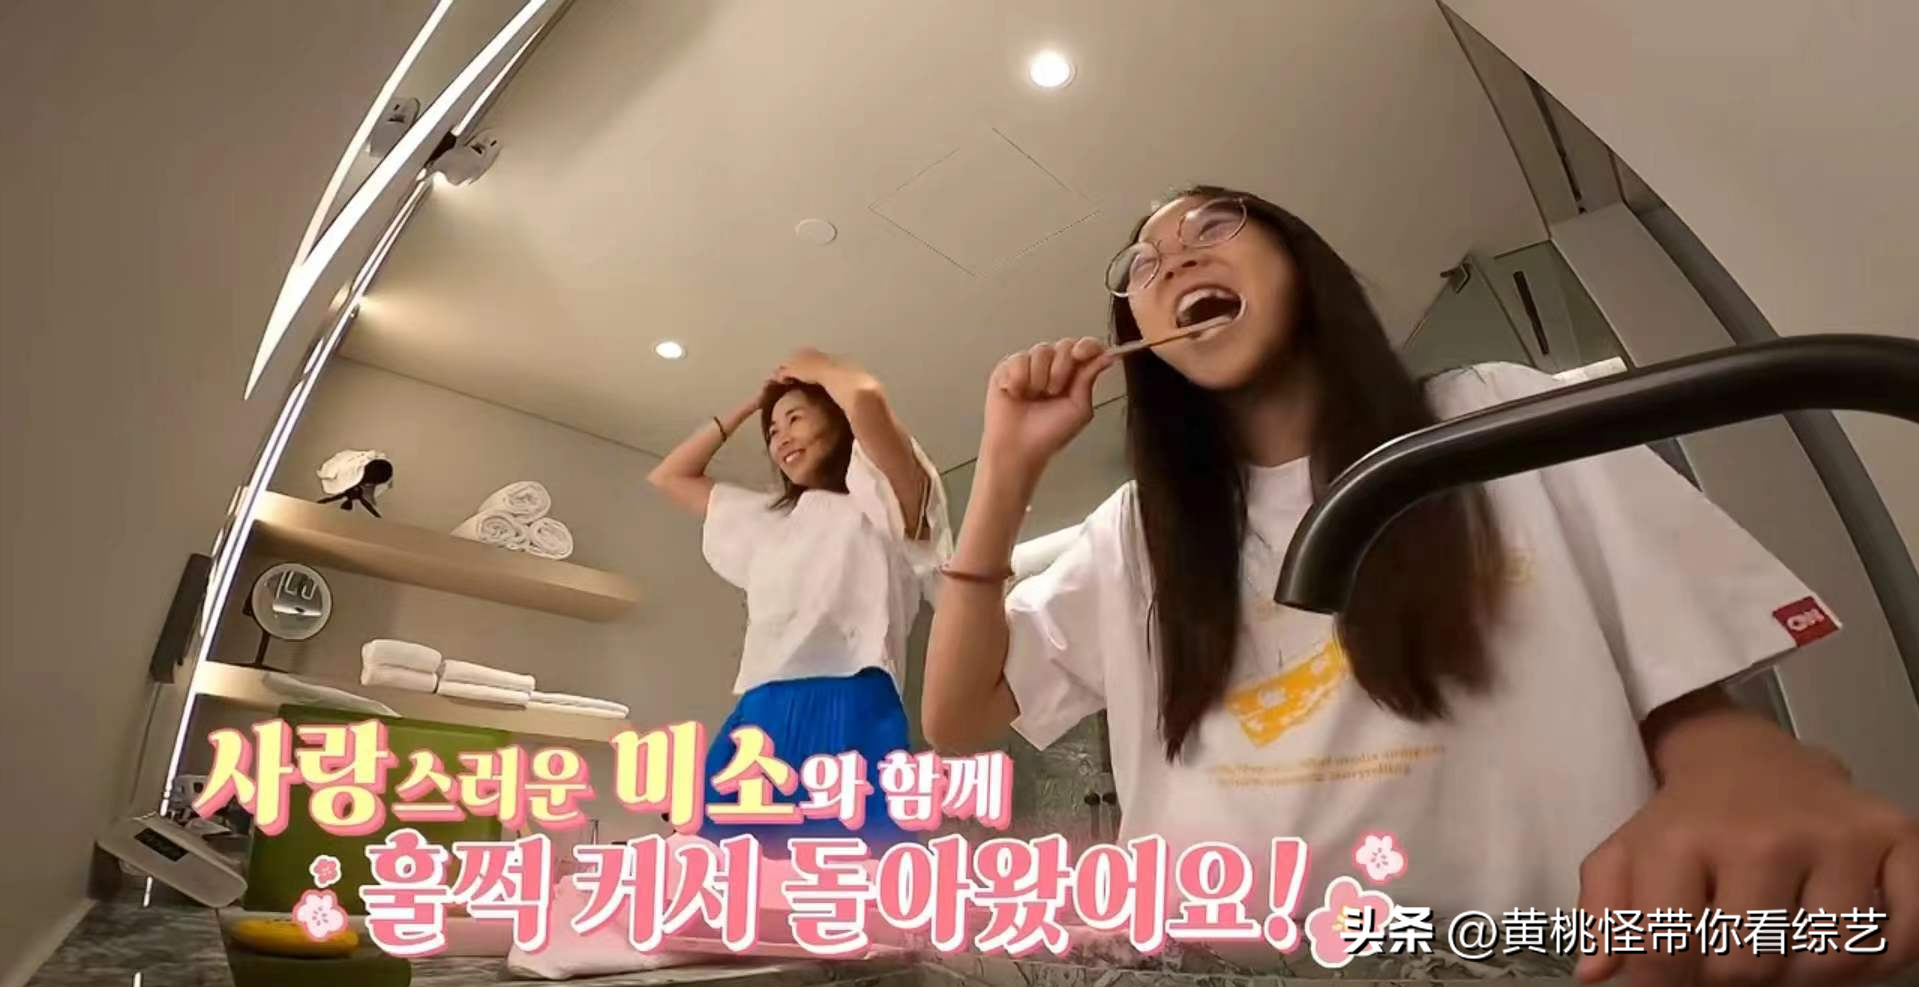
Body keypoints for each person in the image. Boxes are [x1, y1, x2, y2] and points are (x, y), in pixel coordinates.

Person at [921, 187, 1919, 985]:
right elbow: (959, 718)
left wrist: (1738, 765)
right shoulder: (1136, 530)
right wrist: (1005, 468)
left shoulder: (1484, 411)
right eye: (1141, 264)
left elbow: (1673, 666)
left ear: (1300, 263)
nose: (1172, 258)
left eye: (1211, 226)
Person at [649, 347, 951, 856]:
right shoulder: (768, 518)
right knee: (719, 873)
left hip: (855, 701)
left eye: (796, 419)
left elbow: (866, 398)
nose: (781, 438)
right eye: (772, 432)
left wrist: (819, 369)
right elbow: (670, 476)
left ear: (837, 419)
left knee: (857, 873)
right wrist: (753, 405)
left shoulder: (884, 503)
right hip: (762, 709)